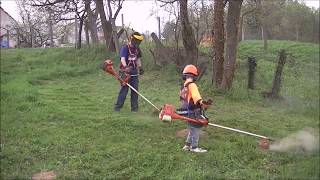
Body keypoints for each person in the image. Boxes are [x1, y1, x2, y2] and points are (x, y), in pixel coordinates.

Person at [177, 65, 212, 153]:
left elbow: (182, 99)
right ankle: (194, 147)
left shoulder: (183, 87)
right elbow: (196, 96)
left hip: (187, 111)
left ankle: (187, 145)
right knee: (196, 128)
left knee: (192, 128)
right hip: (194, 110)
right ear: (194, 76)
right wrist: (201, 102)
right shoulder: (192, 85)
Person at [114, 32, 144, 112]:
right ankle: (117, 107)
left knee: (135, 90)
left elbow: (138, 59)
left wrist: (140, 68)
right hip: (125, 71)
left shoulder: (137, 49)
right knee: (124, 89)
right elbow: (122, 59)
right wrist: (126, 67)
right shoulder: (125, 48)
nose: (137, 43)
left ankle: (134, 109)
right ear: (132, 39)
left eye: (139, 42)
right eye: (136, 41)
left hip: (134, 71)